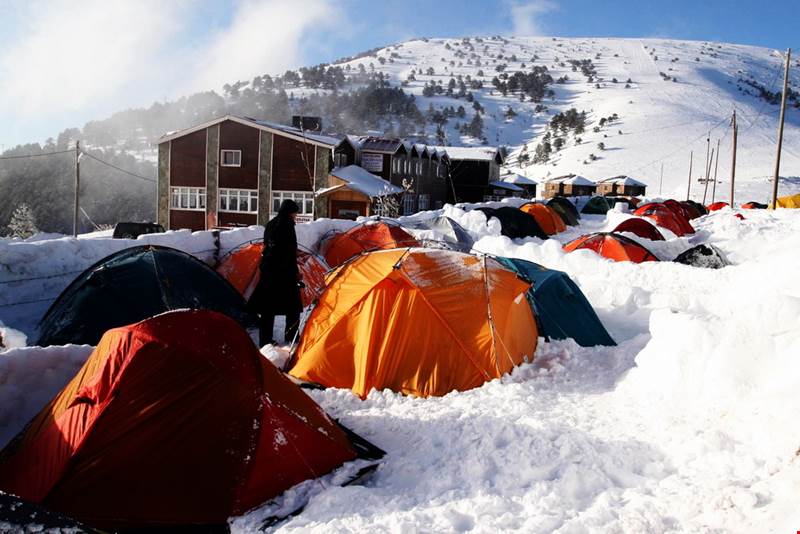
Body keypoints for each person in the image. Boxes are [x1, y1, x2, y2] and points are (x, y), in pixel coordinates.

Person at [249, 199, 304, 346]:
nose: (295, 216)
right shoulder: (287, 226)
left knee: (268, 310)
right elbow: (287, 253)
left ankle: (265, 340)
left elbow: (271, 247)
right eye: (295, 213)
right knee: (293, 308)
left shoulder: (272, 224)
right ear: (290, 212)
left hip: (268, 272)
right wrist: (295, 272)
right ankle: (291, 336)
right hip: (284, 274)